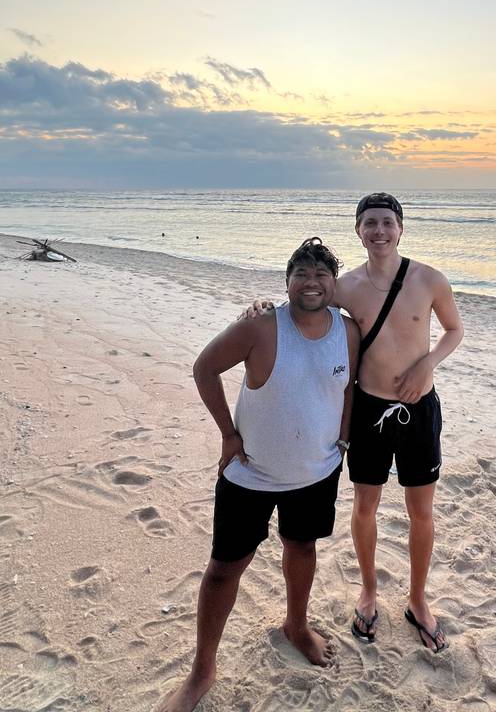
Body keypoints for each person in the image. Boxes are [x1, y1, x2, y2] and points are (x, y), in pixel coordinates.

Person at [245, 194, 463, 653]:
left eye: (387, 222)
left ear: (401, 228)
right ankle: (368, 592)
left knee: (421, 512)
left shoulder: (429, 280)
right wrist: (262, 308)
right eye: (370, 224)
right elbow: (306, 297)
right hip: (368, 410)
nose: (379, 231)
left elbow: (453, 331)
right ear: (358, 231)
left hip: (420, 410)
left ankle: (418, 600)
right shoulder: (346, 286)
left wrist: (428, 366)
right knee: (365, 507)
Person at [158, 238, 359, 712]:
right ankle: (202, 669)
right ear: (287, 282)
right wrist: (228, 435)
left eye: (321, 275)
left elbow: (349, 388)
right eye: (301, 274)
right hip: (250, 474)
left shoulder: (348, 331)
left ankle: (296, 625)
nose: (311, 282)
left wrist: (345, 440)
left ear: (334, 283)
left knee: (302, 546)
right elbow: (205, 368)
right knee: (226, 568)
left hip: (317, 471)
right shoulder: (262, 326)